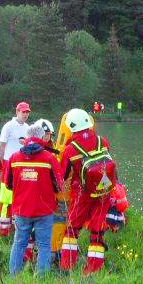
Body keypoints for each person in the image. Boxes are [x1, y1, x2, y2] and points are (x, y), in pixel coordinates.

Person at [58, 108, 117, 273]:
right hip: (103, 191)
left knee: (72, 229)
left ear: (70, 126)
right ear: (88, 124)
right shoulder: (103, 141)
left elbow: (62, 176)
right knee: (97, 228)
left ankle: (66, 267)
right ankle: (93, 269)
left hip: (81, 194)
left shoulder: (70, 150)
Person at [4, 123, 63, 274]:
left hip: (22, 209)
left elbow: (8, 184)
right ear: (42, 137)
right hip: (44, 210)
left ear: (27, 137)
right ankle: (42, 280)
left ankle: (13, 278)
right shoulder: (49, 158)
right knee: (44, 245)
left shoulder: (14, 158)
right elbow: (59, 186)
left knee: (18, 244)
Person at [0, 102, 32, 236]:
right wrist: (3, 163)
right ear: (17, 112)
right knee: (6, 198)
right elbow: (1, 146)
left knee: (20, 196)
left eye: (27, 112)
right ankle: (4, 230)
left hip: (22, 166)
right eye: (23, 112)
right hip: (8, 164)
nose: (25, 114)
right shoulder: (8, 126)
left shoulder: (28, 128)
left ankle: (17, 229)